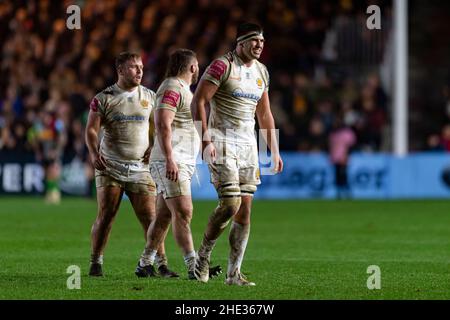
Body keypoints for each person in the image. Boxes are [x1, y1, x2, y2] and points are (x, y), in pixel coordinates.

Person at [191, 22, 283, 286]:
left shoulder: (262, 72)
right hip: (222, 141)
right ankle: (203, 256)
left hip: (247, 147)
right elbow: (199, 100)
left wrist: (273, 150)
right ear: (240, 42)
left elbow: (264, 113)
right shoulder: (222, 66)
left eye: (262, 42)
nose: (259, 46)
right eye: (254, 41)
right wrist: (204, 138)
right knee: (231, 204)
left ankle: (233, 274)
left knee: (244, 212)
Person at [85, 52, 177, 277]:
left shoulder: (150, 96)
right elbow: (91, 129)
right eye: (134, 67)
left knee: (151, 218)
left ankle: (162, 264)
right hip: (110, 166)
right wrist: (93, 153)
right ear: (120, 70)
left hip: (140, 167)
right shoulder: (104, 97)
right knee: (106, 215)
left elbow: (160, 127)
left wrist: (154, 147)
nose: (140, 71)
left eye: (141, 67)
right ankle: (96, 262)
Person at [135, 49, 222, 279]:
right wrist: (170, 158)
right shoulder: (172, 87)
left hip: (177, 160)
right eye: (197, 66)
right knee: (184, 211)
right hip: (170, 161)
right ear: (192, 67)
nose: (198, 70)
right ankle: (194, 266)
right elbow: (163, 123)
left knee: (164, 216)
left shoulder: (181, 89)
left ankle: (145, 264)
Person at [329, 115, 356, 199]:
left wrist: (346, 156)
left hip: (343, 158)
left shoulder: (347, 133)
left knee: (344, 176)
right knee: (337, 176)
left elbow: (351, 146)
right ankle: (339, 193)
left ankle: (347, 193)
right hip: (335, 158)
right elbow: (331, 146)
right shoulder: (333, 133)